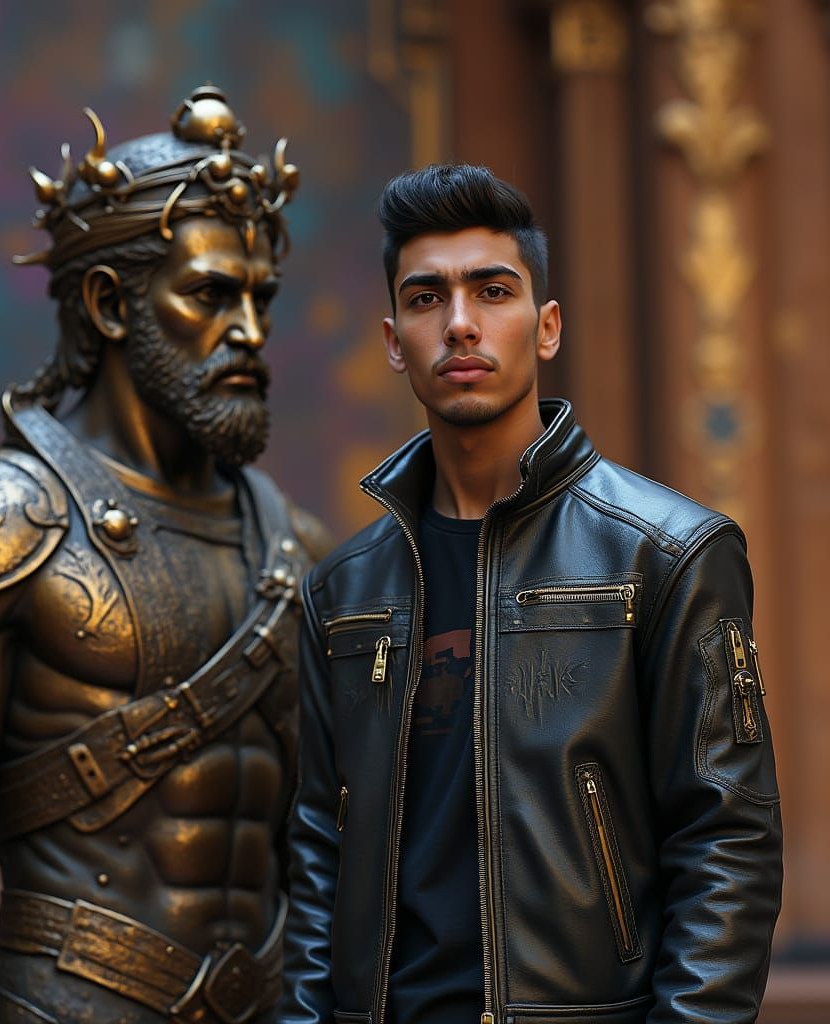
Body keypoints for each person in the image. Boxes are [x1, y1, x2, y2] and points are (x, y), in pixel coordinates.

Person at [0, 86, 330, 1024]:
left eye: (261, 298)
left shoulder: (295, 548)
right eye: (211, 295)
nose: (252, 333)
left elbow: (324, 857)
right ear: (109, 303)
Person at [279, 164, 781, 1024]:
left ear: (546, 328)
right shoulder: (344, 592)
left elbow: (726, 840)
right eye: (428, 298)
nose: (462, 323)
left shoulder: (667, 555)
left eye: (493, 291)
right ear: (396, 339)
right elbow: (318, 851)